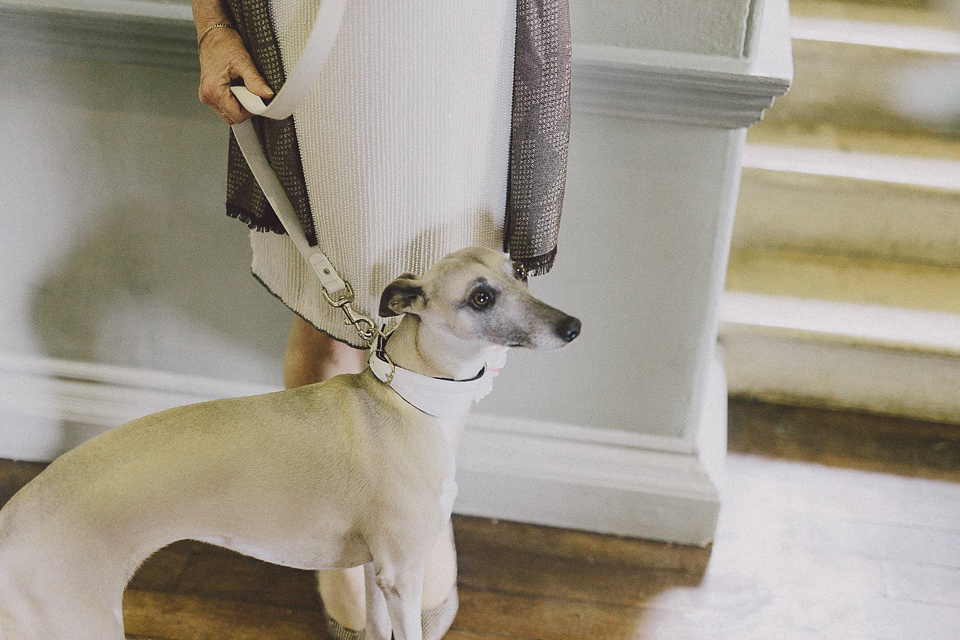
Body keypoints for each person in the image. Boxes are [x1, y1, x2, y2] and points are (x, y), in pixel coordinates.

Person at [191, 0, 570, 637]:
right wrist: (214, 25)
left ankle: (422, 507)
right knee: (328, 316)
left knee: (458, 317)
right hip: (325, 30)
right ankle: (336, 530)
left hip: (465, 36)